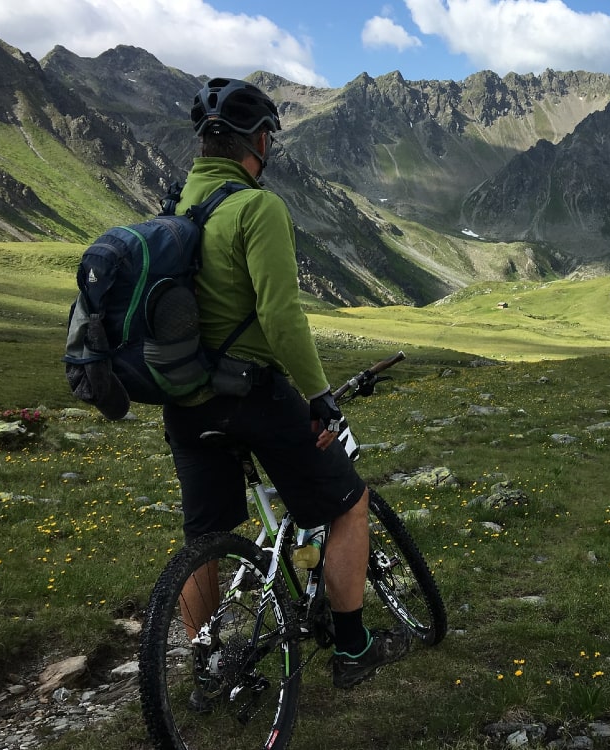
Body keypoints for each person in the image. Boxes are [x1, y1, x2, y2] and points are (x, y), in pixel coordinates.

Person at [162, 77, 409, 692]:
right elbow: (280, 315)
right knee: (348, 505)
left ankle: (207, 669)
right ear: (258, 141)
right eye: (267, 135)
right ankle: (353, 649)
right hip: (251, 395)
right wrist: (320, 397)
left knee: (209, 536)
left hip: (184, 401)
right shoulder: (256, 207)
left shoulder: (175, 210)